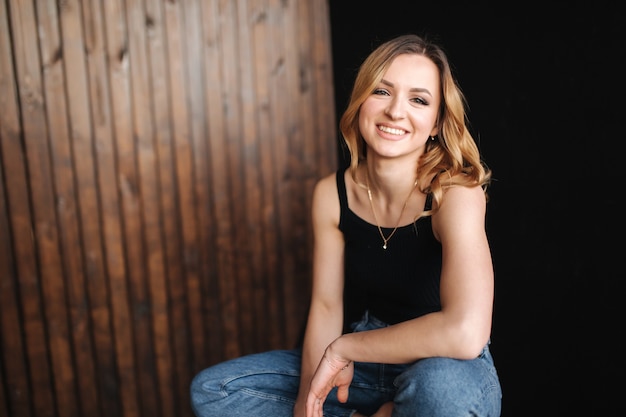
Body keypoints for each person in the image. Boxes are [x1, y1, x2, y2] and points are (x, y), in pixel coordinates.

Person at [190, 33, 502, 417]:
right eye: (382, 92)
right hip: (369, 367)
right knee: (214, 390)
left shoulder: (454, 194)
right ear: (361, 101)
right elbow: (325, 307)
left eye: (418, 100)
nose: (395, 112)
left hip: (445, 363)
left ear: (436, 122)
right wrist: (309, 400)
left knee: (439, 393)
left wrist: (344, 349)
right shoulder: (331, 194)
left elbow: (466, 333)